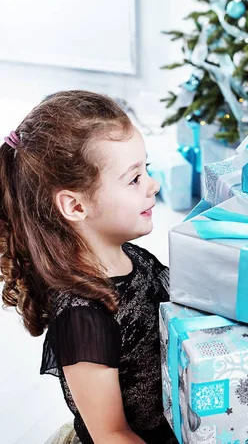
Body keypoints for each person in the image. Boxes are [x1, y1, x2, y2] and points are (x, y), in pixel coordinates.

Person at [0, 91, 176, 443]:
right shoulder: (83, 318)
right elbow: (110, 433)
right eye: (134, 178)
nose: (153, 185)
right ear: (75, 206)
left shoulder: (132, 258)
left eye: (147, 169)